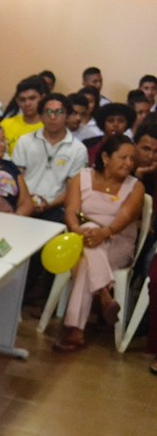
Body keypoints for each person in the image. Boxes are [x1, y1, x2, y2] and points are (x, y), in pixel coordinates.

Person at [53, 136, 145, 352]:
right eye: (123, 158)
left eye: (133, 159)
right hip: (81, 238)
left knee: (86, 260)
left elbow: (127, 215)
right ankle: (104, 295)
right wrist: (79, 231)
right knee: (88, 240)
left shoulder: (135, 186)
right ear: (105, 157)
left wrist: (105, 232)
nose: (129, 163)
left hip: (117, 241)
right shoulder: (81, 178)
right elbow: (71, 212)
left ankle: (75, 329)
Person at [12, 93, 88, 224]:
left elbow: (73, 189)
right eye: (48, 112)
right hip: (23, 201)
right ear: (40, 116)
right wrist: (28, 201)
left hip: (56, 208)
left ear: (67, 116)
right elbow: (16, 178)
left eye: (59, 112)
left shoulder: (78, 149)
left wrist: (48, 204)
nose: (53, 117)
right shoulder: (24, 141)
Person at [0, 76, 47, 155]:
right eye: (22, 100)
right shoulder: (5, 125)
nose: (27, 104)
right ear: (17, 101)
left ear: (42, 98)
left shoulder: (49, 126)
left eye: (32, 98)